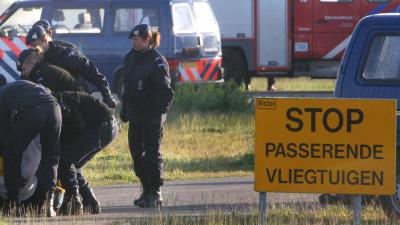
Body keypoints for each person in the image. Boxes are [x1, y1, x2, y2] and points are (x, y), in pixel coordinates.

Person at [120, 24, 174, 208]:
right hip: (136, 115)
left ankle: (155, 192)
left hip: (152, 115)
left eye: (137, 39)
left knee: (152, 155)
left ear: (147, 40)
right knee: (137, 156)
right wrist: (124, 107)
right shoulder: (130, 58)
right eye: (133, 39)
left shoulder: (157, 61)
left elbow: (166, 92)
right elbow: (126, 86)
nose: (134, 42)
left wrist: (159, 114)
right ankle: (146, 189)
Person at [0, 77, 62, 217]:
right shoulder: (19, 87)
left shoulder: (2, 96)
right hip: (54, 108)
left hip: (31, 111)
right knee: (51, 156)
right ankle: (49, 204)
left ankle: (13, 203)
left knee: (12, 154)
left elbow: (3, 139)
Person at [53, 91, 118, 215]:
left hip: (103, 126)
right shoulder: (59, 101)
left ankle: (74, 202)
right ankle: (91, 203)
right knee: (73, 165)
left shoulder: (62, 102)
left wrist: (62, 143)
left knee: (66, 160)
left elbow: (78, 126)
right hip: (106, 126)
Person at [25, 25, 117, 108]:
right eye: (32, 47)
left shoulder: (66, 55)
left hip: (75, 102)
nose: (34, 49)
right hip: (52, 104)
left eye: (36, 45)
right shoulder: (36, 59)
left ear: (45, 40)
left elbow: (93, 73)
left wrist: (107, 95)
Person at [17, 46, 82, 92]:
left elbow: (44, 96)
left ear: (32, 61)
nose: (23, 73)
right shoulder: (41, 69)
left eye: (23, 69)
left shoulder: (44, 72)